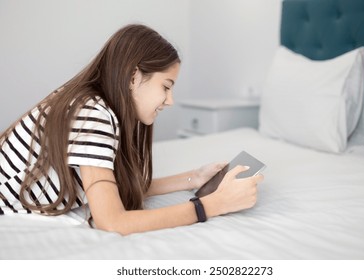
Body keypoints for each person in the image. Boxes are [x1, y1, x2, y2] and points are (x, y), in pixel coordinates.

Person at [0, 24, 263, 235]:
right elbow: (113, 222)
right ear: (134, 77)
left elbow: (113, 189)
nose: (170, 100)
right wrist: (213, 205)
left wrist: (193, 178)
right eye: (166, 86)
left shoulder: (90, 104)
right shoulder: (93, 115)